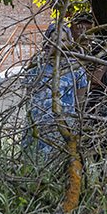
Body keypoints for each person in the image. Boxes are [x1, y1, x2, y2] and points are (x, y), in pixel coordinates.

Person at [23, 23, 88, 155]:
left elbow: (80, 102)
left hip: (64, 129)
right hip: (38, 128)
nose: (58, 45)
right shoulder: (37, 66)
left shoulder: (75, 68)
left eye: (63, 41)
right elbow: (28, 98)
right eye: (53, 40)